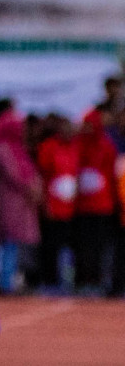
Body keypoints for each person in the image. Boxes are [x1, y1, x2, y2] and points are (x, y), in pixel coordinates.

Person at [0, 100, 41, 294]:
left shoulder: (19, 148)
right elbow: (15, 175)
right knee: (6, 243)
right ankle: (3, 282)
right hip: (9, 203)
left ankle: (10, 279)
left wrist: (35, 187)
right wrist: (31, 188)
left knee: (16, 245)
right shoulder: (2, 149)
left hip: (22, 204)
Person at [73, 109, 115, 293]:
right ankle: (81, 280)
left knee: (98, 247)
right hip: (82, 205)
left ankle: (97, 281)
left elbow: (112, 175)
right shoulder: (79, 144)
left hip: (101, 205)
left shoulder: (106, 145)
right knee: (82, 246)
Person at [35, 115, 78, 291]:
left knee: (66, 246)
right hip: (52, 206)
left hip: (69, 207)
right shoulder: (48, 147)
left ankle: (64, 279)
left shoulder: (74, 148)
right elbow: (43, 177)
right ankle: (48, 281)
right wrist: (46, 204)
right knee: (50, 246)